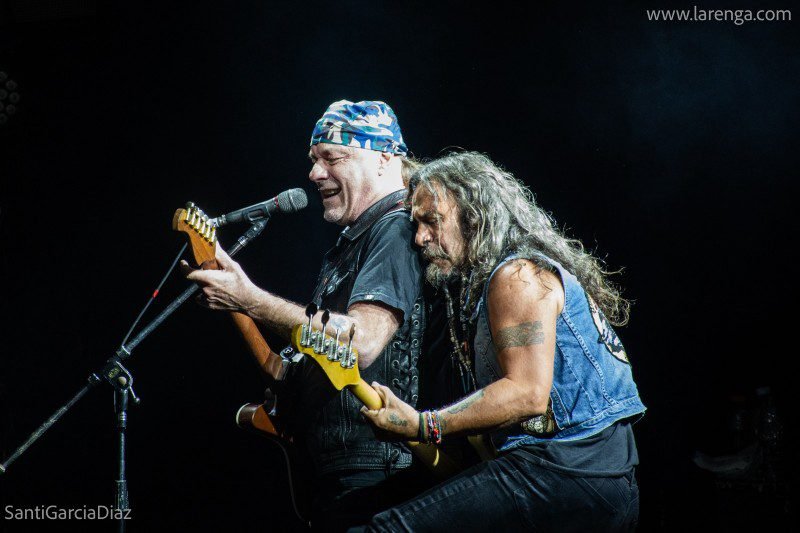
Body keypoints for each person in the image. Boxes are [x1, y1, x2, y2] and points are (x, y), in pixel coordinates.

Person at [360, 151, 646, 532]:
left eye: (432, 220)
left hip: (567, 471)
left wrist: (423, 425)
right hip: (592, 478)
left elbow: (527, 393)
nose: (420, 237)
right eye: (417, 223)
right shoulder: (500, 281)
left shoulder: (517, 277)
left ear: (474, 216)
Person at [184, 100, 432, 530]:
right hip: (338, 472)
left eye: (331, 158)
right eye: (314, 160)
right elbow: (306, 361)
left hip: (379, 475)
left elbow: (361, 343)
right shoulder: (350, 244)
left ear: (384, 158)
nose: (315, 173)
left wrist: (250, 299)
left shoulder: (394, 229)